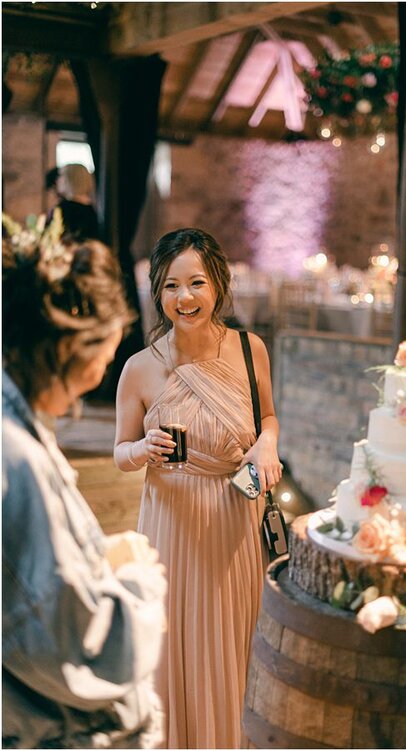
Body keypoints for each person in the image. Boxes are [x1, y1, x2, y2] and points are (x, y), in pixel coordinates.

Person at [2, 212, 166, 748]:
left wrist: (96, 551)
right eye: (104, 354)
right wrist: (139, 584)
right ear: (75, 349)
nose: (103, 372)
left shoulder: (21, 424)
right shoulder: (16, 459)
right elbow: (75, 646)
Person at [113, 228, 281, 748]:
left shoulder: (250, 350)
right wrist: (143, 449)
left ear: (218, 285)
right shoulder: (139, 368)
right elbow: (119, 452)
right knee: (178, 645)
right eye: (169, 286)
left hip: (236, 517)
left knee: (235, 639)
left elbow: (268, 416)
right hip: (171, 524)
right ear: (157, 293)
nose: (184, 298)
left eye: (196, 283)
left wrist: (267, 445)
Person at [54, 163, 100, 242]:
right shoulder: (91, 209)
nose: (57, 180)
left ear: (70, 179)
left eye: (61, 176)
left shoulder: (64, 208)